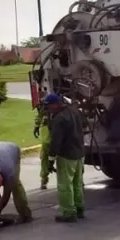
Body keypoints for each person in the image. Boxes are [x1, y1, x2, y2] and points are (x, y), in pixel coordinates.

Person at [44, 92, 86, 223]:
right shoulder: (75, 112)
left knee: (65, 185)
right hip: (79, 154)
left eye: (48, 106)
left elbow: (56, 141)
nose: (47, 109)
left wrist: (50, 160)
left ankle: (69, 213)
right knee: (77, 183)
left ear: (56, 105)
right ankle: (79, 209)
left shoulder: (59, 119)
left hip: (66, 155)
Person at [33, 102, 54, 189]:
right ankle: (44, 179)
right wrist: (36, 126)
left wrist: (37, 127)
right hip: (48, 138)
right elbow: (40, 116)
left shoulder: (60, 113)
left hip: (55, 138)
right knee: (44, 158)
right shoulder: (44, 112)